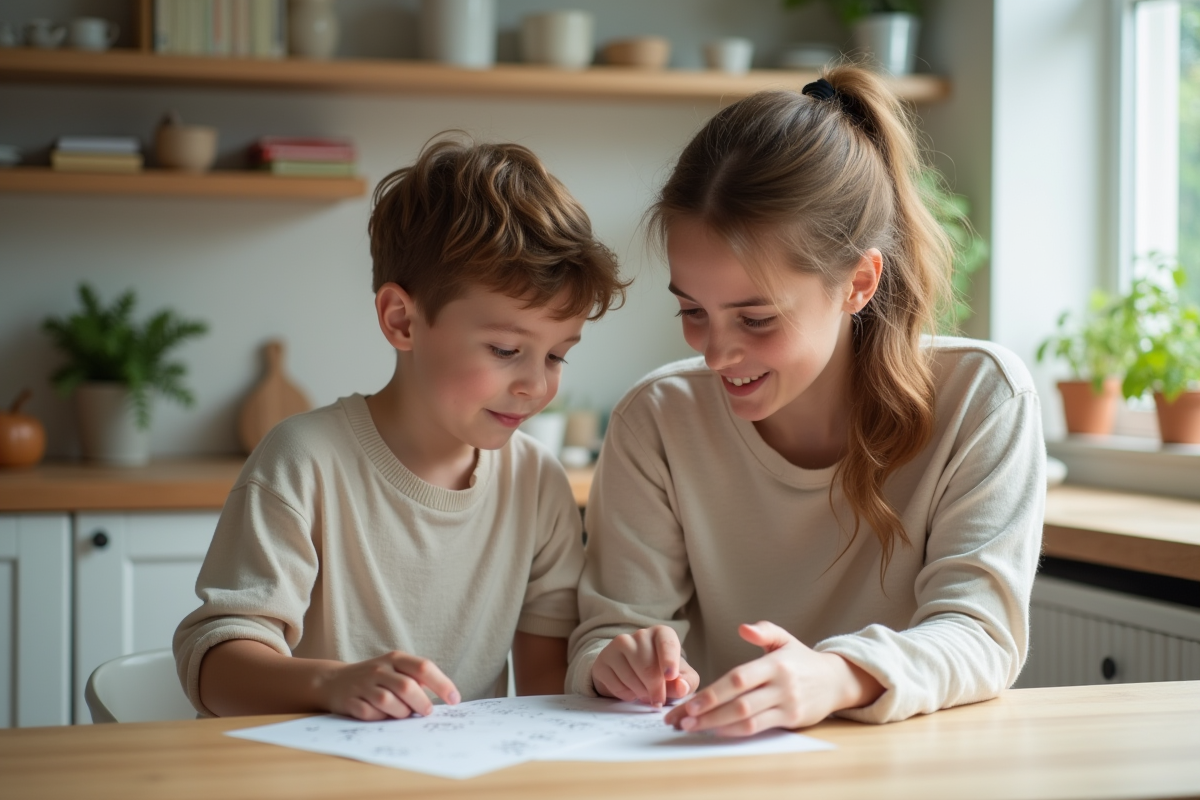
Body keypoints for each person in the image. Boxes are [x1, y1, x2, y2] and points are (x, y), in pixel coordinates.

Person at [567, 65, 1045, 734]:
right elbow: (610, 630)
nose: (715, 351)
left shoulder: (982, 398)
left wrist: (835, 677)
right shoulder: (658, 418)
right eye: (692, 310)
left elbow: (981, 634)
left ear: (858, 283)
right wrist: (615, 661)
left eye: (756, 318)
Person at [175, 136, 627, 721]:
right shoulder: (303, 461)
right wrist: (329, 686)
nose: (536, 385)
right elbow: (213, 667)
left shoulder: (537, 482)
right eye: (507, 348)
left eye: (557, 355)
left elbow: (546, 694)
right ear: (401, 320)